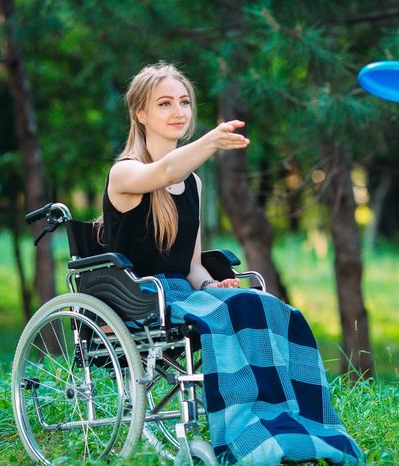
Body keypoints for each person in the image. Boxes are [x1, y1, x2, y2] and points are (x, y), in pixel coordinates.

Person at [101, 62, 363, 465]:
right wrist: (211, 141)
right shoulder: (125, 173)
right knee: (241, 309)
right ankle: (248, 437)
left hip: (185, 294)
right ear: (140, 114)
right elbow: (165, 169)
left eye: (185, 102)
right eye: (165, 103)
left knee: (270, 308)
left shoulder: (193, 183)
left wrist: (212, 287)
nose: (179, 112)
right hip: (140, 298)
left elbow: (192, 267)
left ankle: (299, 425)